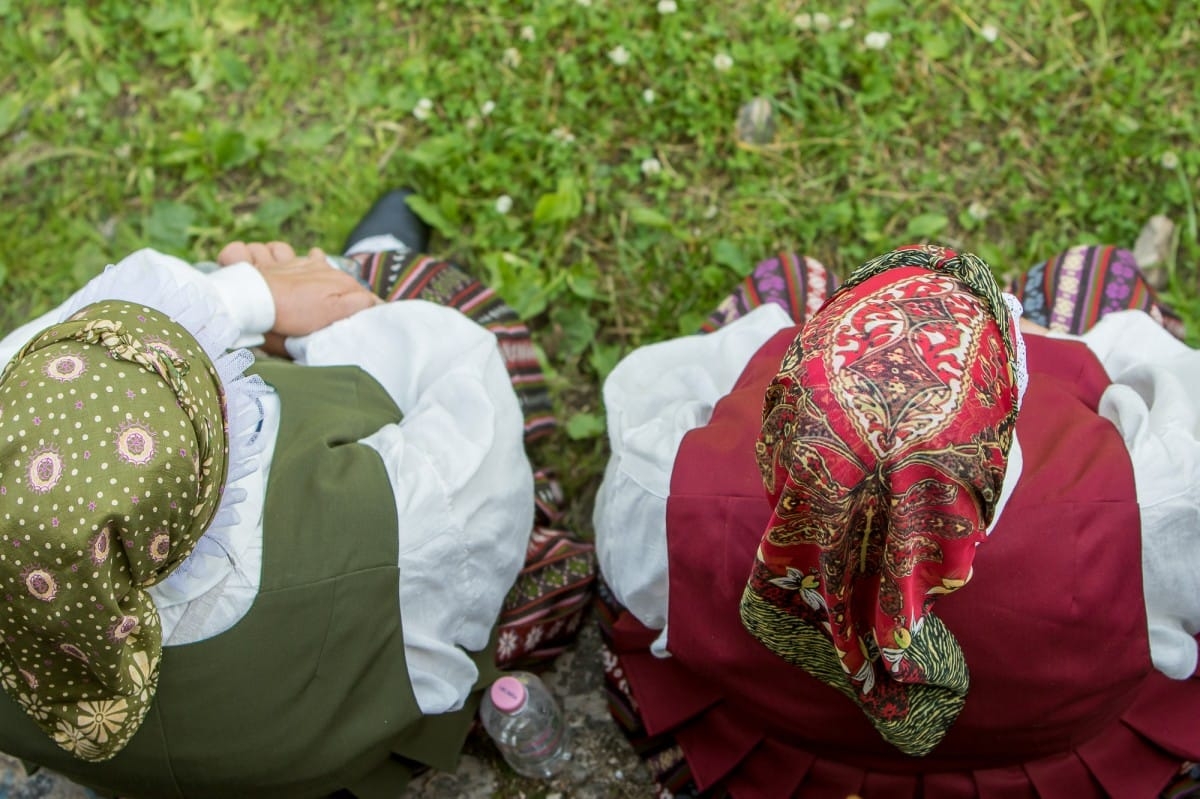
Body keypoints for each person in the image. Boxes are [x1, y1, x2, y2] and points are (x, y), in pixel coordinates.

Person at [0, 190, 594, 798]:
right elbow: (465, 389)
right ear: (214, 469)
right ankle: (365, 261)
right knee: (422, 300)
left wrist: (249, 293)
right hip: (350, 727)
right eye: (218, 380)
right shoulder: (384, 527)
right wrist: (306, 332)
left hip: (215, 765)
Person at [595, 243, 1200, 797]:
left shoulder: (668, 490)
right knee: (1091, 272)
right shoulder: (1152, 503)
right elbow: (1161, 377)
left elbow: (671, 389)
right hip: (1043, 768)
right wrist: (1037, 333)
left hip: (793, 755)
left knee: (788, 279)